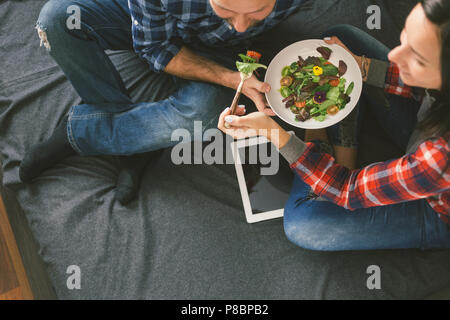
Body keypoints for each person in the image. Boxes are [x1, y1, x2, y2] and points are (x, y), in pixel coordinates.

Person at [20, 0, 313, 204]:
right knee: (56, 19)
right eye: (225, 12)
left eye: (257, 12)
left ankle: (92, 131)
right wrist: (228, 78)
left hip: (223, 49)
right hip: (148, 20)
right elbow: (155, 47)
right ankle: (131, 141)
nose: (239, 26)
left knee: (207, 114)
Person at [218, 0, 450, 251]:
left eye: (417, 59)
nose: (395, 55)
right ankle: (341, 137)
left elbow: (346, 190)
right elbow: (421, 87)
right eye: (405, 37)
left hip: (435, 203)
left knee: (306, 224)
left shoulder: (440, 157)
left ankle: (321, 140)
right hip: (429, 122)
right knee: (341, 41)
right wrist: (360, 65)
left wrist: (273, 131)